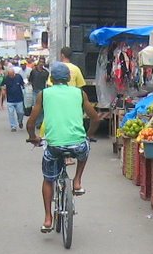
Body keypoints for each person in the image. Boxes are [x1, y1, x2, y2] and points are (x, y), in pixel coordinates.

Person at [26, 62, 101, 233]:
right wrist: (88, 136)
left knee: (48, 179)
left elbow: (31, 123)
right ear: (68, 78)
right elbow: (95, 119)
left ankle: (47, 219)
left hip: (53, 145)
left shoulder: (44, 94)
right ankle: (77, 180)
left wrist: (33, 138)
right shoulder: (79, 94)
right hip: (77, 144)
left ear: (51, 79)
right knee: (85, 148)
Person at [2, 64, 27, 131]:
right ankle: (13, 126)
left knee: (21, 112)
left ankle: (20, 121)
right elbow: (3, 85)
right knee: (11, 114)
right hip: (10, 100)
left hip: (19, 99)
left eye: (12, 75)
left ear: (14, 73)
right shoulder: (6, 78)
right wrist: (3, 91)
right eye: (10, 75)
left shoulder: (19, 77)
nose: (11, 76)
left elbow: (23, 85)